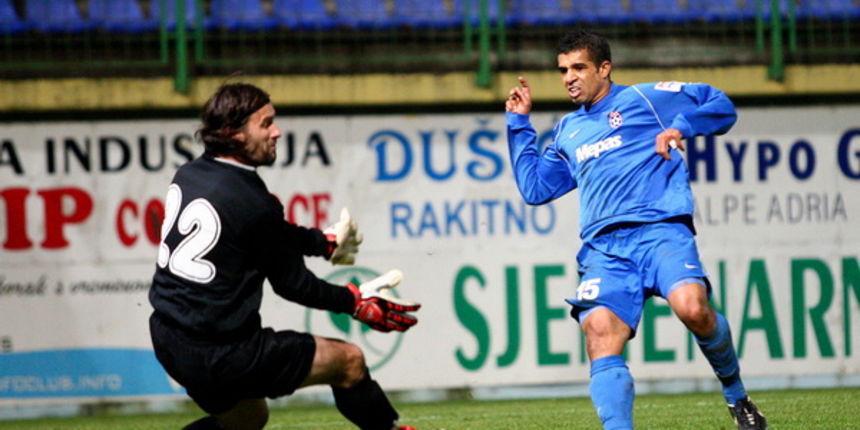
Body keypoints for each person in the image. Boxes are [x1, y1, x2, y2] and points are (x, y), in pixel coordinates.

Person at [504, 30, 767, 430]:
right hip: (604, 249)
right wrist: (519, 123)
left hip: (661, 232)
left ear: (604, 68)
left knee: (693, 309)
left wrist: (681, 127)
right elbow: (536, 188)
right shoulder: (568, 130)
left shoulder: (646, 98)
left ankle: (737, 397)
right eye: (563, 71)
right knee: (598, 332)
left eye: (578, 67)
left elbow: (720, 104)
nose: (569, 78)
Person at [149, 83, 421, 430]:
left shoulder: (191, 174)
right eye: (265, 124)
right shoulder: (252, 201)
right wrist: (352, 301)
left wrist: (321, 242)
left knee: (246, 419)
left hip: (171, 340)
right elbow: (295, 285)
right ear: (234, 134)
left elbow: (265, 233)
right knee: (349, 361)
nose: (277, 132)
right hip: (223, 352)